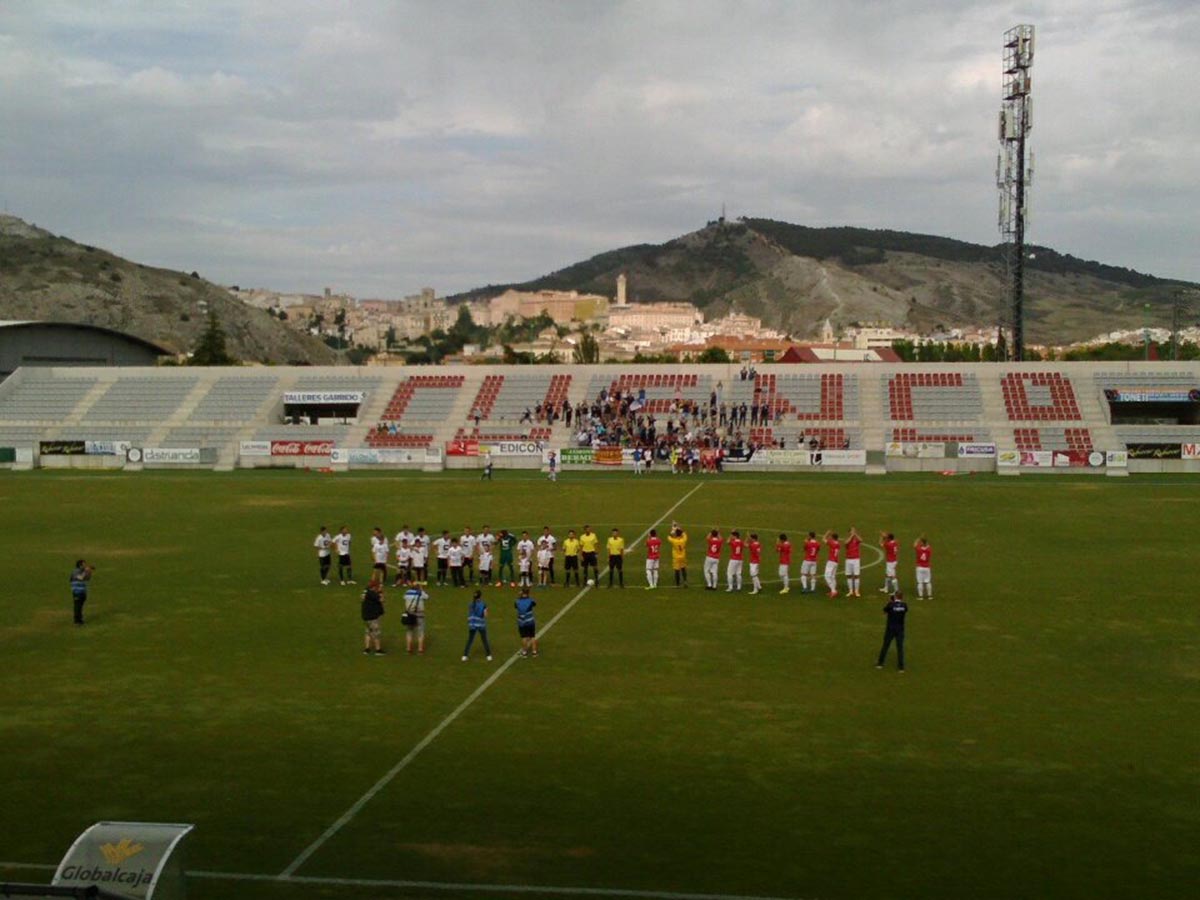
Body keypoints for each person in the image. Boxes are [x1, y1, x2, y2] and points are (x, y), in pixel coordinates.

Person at [876, 590, 908, 672]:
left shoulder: (890, 605)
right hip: (900, 629)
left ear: (895, 597)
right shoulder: (904, 605)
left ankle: (880, 663)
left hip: (890, 628)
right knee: (900, 648)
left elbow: (884, 611)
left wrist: (891, 602)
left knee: (885, 646)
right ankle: (901, 667)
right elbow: (905, 611)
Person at [462, 590, 493, 661]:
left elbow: (470, 614)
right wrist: (487, 610)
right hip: (481, 624)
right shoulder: (483, 604)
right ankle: (488, 655)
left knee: (470, 640)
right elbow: (485, 615)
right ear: (480, 596)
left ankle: (465, 655)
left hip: (472, 624)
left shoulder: (470, 604)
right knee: (484, 640)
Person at [360, 579, 386, 656]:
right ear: (374, 587)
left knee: (368, 632)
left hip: (365, 616)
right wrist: (381, 592)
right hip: (373, 617)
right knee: (376, 633)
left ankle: (367, 649)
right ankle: (378, 649)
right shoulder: (373, 594)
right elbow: (382, 600)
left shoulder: (367, 593)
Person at [402, 582, 429, 655]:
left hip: (410, 614)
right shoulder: (420, 593)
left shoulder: (407, 593)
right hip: (420, 614)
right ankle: (420, 649)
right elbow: (427, 597)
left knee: (409, 631)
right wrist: (421, 589)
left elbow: (404, 598)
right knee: (420, 632)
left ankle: (408, 648)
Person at [515, 587, 539, 657]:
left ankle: (524, 652)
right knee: (532, 636)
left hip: (522, 622)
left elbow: (516, 605)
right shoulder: (531, 601)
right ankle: (534, 652)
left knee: (524, 637)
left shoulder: (517, 602)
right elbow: (534, 604)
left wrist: (519, 596)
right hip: (530, 621)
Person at [70, 559, 94, 625]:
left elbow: (87, 579)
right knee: (77, 606)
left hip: (82, 591)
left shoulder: (82, 571)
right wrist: (85, 571)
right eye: (84, 564)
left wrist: (89, 572)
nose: (85, 566)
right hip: (77, 591)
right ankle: (77, 621)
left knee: (80, 606)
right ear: (80, 565)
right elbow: (80, 578)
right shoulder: (75, 571)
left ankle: (80, 620)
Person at [844, 527, 862, 597]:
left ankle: (856, 591)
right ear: (849, 532)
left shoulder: (856, 539)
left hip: (856, 559)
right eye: (852, 531)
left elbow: (861, 540)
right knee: (848, 575)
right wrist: (851, 536)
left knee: (856, 575)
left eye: (854, 531)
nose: (853, 532)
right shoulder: (847, 539)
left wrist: (855, 534)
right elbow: (846, 543)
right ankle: (850, 590)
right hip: (848, 559)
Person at [822, 530, 841, 597]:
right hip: (836, 561)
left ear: (832, 538)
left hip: (831, 561)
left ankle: (833, 591)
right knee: (832, 576)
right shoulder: (838, 544)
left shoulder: (831, 543)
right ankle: (833, 590)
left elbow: (823, 539)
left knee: (827, 576)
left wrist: (827, 533)